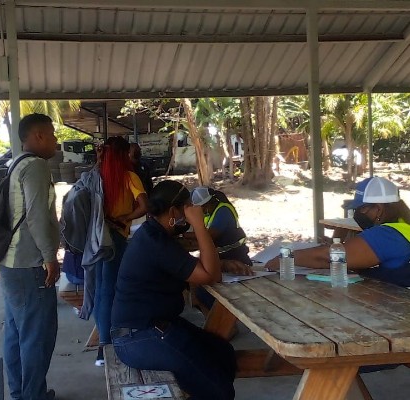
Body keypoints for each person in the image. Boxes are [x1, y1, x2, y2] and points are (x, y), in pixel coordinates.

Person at [111, 180, 236, 400]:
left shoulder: (155, 234)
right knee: (218, 390)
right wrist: (199, 226)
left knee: (222, 353)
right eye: (188, 209)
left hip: (155, 326)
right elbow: (210, 276)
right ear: (172, 212)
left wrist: (224, 263)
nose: (190, 215)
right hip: (137, 336)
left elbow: (195, 268)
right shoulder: (155, 242)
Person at [0, 113, 60, 400]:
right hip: (30, 265)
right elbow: (37, 217)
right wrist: (50, 257)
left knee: (16, 334)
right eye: (52, 134)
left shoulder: (16, 163)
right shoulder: (36, 166)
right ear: (38, 136)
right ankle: (33, 395)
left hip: (12, 264)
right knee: (37, 337)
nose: (56, 140)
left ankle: (21, 393)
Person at [266, 176, 410, 287]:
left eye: (362, 209)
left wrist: (286, 258)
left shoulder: (388, 235)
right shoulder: (403, 225)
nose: (358, 213)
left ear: (378, 208)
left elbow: (329, 257)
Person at [94, 136, 148, 366]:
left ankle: (102, 344)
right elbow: (146, 205)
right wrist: (126, 217)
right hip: (116, 237)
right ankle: (106, 345)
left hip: (96, 238)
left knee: (100, 291)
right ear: (124, 154)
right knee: (112, 292)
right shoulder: (129, 176)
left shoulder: (96, 175)